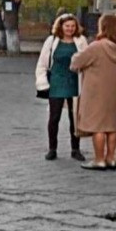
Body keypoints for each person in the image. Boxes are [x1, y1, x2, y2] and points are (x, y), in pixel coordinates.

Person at [70, 14, 116, 171]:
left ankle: (99, 160)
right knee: (111, 125)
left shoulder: (98, 46)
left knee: (98, 127)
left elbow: (77, 62)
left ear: (103, 27)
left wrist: (76, 56)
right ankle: (111, 158)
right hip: (113, 91)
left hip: (95, 91)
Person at [36, 14, 88, 162]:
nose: (70, 29)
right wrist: (42, 83)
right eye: (67, 26)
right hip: (56, 82)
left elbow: (88, 60)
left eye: (72, 26)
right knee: (54, 117)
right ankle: (52, 149)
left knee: (75, 118)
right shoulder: (52, 41)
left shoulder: (81, 41)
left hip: (74, 82)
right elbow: (42, 63)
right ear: (60, 26)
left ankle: (75, 149)